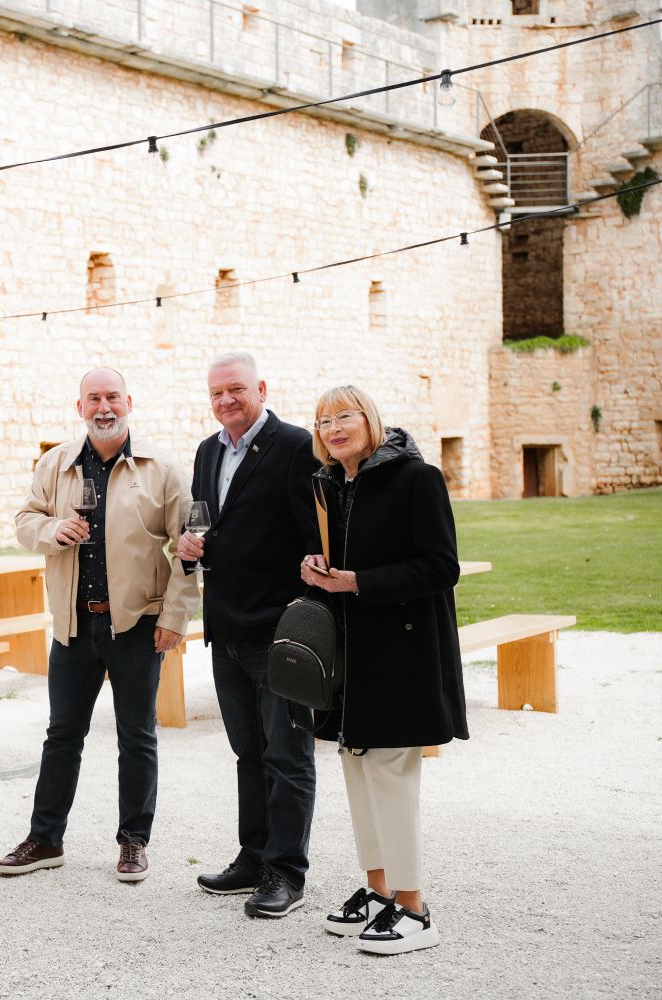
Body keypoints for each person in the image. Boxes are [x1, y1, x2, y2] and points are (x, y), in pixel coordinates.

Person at [0, 367, 199, 883]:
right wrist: (51, 528)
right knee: (61, 735)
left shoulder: (163, 468)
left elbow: (190, 547)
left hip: (137, 624)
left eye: (112, 397)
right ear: (80, 406)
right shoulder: (55, 463)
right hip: (73, 625)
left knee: (137, 736)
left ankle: (134, 840)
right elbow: (24, 521)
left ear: (129, 402)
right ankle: (45, 839)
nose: (104, 407)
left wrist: (175, 616)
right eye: (94, 398)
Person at [300, 385, 467, 955]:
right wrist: (319, 566)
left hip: (401, 654)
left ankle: (415, 908)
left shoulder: (418, 479)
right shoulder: (330, 484)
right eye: (323, 421)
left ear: (370, 419)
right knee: (357, 767)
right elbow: (345, 562)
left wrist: (358, 583)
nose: (332, 429)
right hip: (351, 653)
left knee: (391, 775)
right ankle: (379, 892)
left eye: (343, 416)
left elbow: (441, 567)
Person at [175, 351, 320, 918]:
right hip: (226, 628)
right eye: (216, 393)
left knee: (288, 756)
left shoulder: (297, 446)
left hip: (280, 629)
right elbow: (203, 523)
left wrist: (304, 614)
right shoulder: (207, 451)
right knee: (248, 753)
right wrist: (188, 547)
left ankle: (286, 872)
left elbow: (314, 540)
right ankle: (254, 857)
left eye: (235, 389)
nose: (225, 400)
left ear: (261, 388)